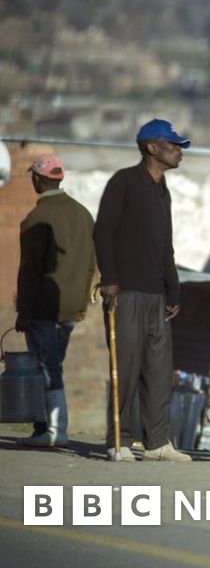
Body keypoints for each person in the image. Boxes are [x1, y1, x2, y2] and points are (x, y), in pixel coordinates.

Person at [93, 118, 192, 463]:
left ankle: (158, 443)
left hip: (157, 296)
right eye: (173, 145)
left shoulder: (163, 190)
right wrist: (109, 278)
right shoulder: (124, 182)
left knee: (159, 372)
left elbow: (166, 246)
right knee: (126, 368)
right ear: (152, 147)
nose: (179, 151)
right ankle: (118, 441)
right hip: (127, 292)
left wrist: (173, 291)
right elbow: (103, 231)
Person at [15, 154, 95, 448]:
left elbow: (30, 271)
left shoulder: (36, 219)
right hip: (72, 307)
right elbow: (90, 264)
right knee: (53, 364)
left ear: (37, 179)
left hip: (44, 307)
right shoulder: (83, 214)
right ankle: (46, 429)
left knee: (47, 367)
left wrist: (24, 311)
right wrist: (83, 301)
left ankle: (54, 430)